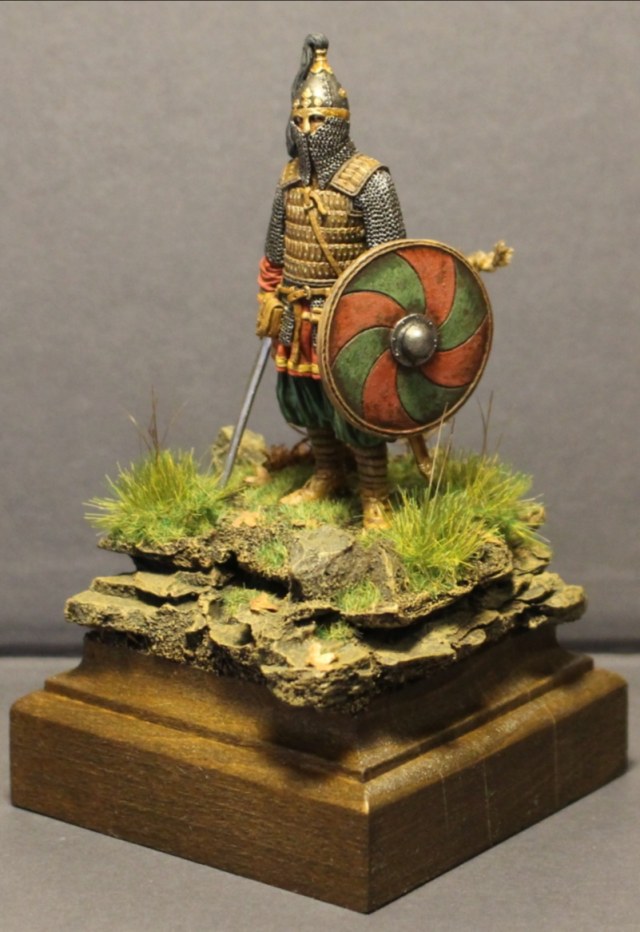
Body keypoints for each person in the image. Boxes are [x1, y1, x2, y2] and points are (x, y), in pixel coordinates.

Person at [256, 34, 406, 529]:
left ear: (339, 123)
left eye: (317, 119)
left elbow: (392, 264)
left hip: (349, 318)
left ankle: (375, 493)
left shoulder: (371, 181)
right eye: (299, 120)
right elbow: (276, 251)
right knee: (304, 399)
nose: (306, 128)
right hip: (297, 311)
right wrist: (267, 296)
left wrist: (380, 319)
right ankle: (327, 473)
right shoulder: (289, 179)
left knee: (355, 406)